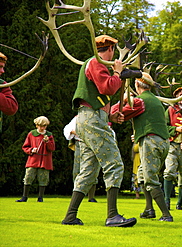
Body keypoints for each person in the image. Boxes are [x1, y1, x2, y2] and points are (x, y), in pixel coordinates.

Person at [61, 35, 137, 227]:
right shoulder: (96, 62)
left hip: (88, 119)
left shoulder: (92, 64)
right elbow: (107, 87)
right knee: (114, 163)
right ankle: (112, 216)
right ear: (110, 49)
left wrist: (110, 116)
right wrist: (118, 73)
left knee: (88, 171)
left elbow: (96, 97)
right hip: (93, 120)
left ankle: (70, 216)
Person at [111, 72, 173, 222]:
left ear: (137, 85)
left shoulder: (139, 101)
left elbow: (117, 114)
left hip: (150, 142)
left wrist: (125, 100)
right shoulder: (156, 101)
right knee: (142, 173)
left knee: (150, 178)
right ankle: (148, 209)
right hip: (163, 142)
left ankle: (166, 215)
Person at [16, 116, 55, 202]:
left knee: (43, 179)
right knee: (28, 177)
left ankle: (40, 197)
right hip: (33, 160)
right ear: (36, 125)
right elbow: (25, 147)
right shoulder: (31, 134)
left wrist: (47, 142)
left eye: (44, 126)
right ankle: (24, 197)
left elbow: (52, 148)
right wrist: (31, 150)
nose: (42, 128)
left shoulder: (49, 135)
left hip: (45, 161)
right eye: (41, 126)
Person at [63, 115, 98, 203]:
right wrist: (74, 132)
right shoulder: (77, 118)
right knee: (78, 169)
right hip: (80, 144)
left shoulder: (98, 116)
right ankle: (76, 197)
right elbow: (67, 129)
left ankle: (91, 197)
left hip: (93, 143)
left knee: (92, 169)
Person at [0, 52, 18, 132]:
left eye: (2, 67)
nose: (2, 71)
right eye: (0, 67)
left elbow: (11, 108)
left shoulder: (2, 84)